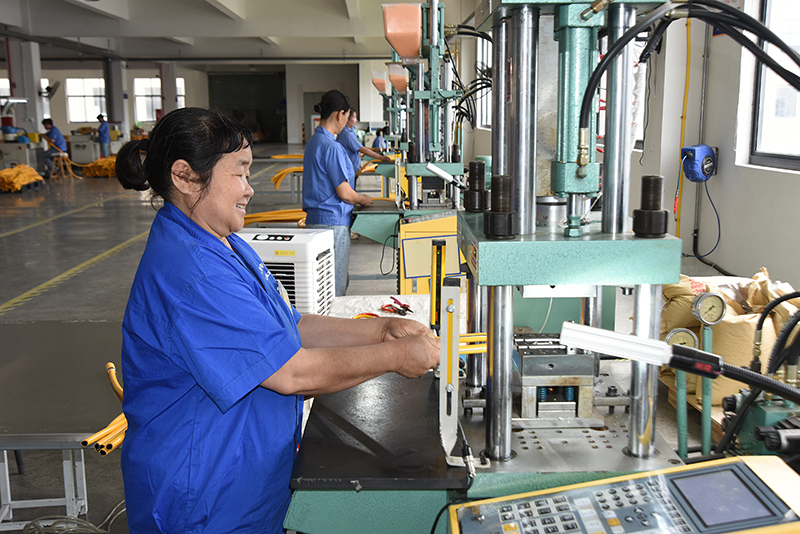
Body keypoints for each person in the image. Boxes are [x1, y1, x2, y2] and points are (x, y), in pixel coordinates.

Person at [115, 107, 439, 534]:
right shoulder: (193, 273)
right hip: (204, 497)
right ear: (185, 177)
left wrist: (381, 330)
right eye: (239, 173)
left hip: (244, 476)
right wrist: (396, 357)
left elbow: (288, 325)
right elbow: (291, 373)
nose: (249, 189)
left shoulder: (223, 243)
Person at [303, 92, 374, 297]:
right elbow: (345, 193)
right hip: (333, 224)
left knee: (322, 285)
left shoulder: (314, 142)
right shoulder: (331, 147)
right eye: (347, 116)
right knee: (335, 285)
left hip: (314, 223)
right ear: (340, 114)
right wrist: (362, 199)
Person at [337, 109, 391, 181]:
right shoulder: (346, 134)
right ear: (347, 118)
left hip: (352, 168)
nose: (356, 120)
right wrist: (380, 157)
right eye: (354, 117)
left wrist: (358, 165)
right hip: (348, 170)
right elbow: (362, 149)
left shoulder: (351, 131)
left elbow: (355, 150)